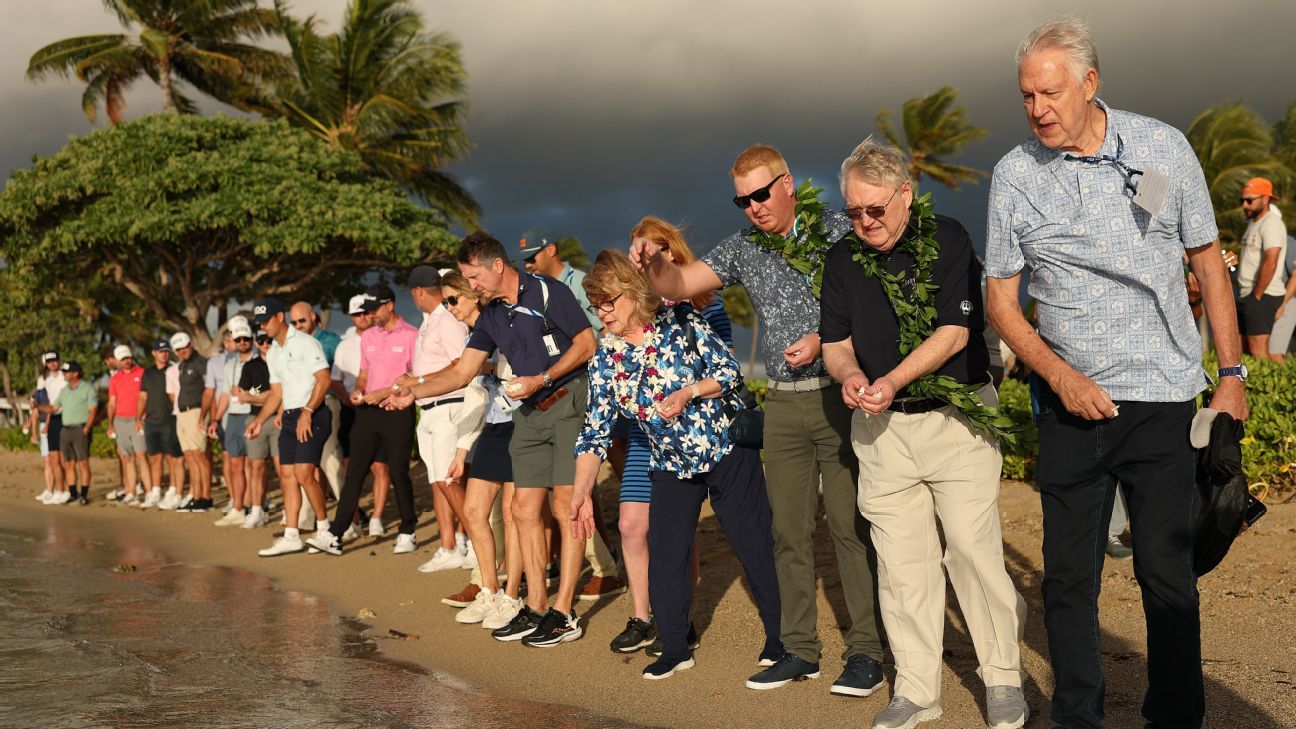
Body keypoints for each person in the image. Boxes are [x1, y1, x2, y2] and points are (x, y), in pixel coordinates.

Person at [984, 16, 1248, 729]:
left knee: (1167, 576)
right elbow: (1002, 303)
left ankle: (1175, 716)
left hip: (1162, 399)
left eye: (1050, 93)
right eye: (1026, 95)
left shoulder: (1161, 150)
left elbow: (1205, 261)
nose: (1037, 108)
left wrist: (1232, 372)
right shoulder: (1015, 175)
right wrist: (1057, 375)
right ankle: (1078, 717)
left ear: (1090, 84)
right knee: (1068, 580)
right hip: (1070, 408)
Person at [630, 144, 886, 695]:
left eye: (761, 193)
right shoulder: (744, 249)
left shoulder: (840, 231)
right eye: (742, 199)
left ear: (788, 184)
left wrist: (826, 339)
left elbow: (875, 297)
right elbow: (679, 285)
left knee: (847, 526)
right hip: (783, 404)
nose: (753, 207)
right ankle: (799, 649)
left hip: (839, 395)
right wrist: (654, 265)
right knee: (788, 532)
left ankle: (866, 650)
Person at [820, 139, 1028, 729]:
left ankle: (1004, 681)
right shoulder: (840, 261)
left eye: (875, 210)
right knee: (901, 564)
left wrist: (889, 379)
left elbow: (954, 333)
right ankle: (915, 690)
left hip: (954, 421)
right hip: (880, 432)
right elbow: (835, 342)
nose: (864, 222)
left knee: (971, 549)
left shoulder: (950, 238)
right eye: (853, 212)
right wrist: (853, 376)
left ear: (905, 194)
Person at [571, 249, 781, 681]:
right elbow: (594, 433)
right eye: (596, 304)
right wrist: (579, 493)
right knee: (666, 554)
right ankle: (673, 647)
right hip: (668, 462)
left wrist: (688, 392)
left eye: (609, 301)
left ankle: (781, 637)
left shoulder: (681, 324)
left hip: (725, 449)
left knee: (753, 544)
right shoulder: (606, 361)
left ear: (632, 293)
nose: (602, 312)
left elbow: (728, 371)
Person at [384, 231, 598, 648]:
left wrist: (543, 377)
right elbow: (462, 373)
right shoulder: (491, 316)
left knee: (563, 504)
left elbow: (587, 344)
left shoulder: (549, 292)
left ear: (497, 265)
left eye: (473, 274)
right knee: (521, 509)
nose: (471, 284)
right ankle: (536, 607)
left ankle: (564, 611)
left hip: (569, 399)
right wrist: (415, 391)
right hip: (529, 414)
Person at [606, 216, 735, 655]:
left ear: (670, 250)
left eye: (651, 249)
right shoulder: (633, 306)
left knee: (674, 532)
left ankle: (676, 618)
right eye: (636, 250)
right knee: (629, 525)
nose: (643, 257)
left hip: (689, 434)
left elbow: (722, 369)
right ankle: (642, 616)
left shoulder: (705, 304)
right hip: (645, 435)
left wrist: (683, 391)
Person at [433, 270, 523, 629]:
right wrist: (461, 449)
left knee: (514, 513)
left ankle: (511, 597)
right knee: (473, 511)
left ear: (473, 294)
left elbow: (516, 369)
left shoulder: (502, 322)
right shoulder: (477, 335)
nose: (449, 307)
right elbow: (474, 391)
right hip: (494, 426)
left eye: (453, 299)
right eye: (444, 302)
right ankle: (489, 589)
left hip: (522, 422)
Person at [306, 284, 421, 557]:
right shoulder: (368, 337)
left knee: (398, 472)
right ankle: (336, 534)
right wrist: (358, 390)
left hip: (397, 410)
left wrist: (385, 393)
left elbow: (415, 377)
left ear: (390, 305)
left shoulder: (412, 336)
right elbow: (363, 374)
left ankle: (408, 529)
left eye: (374, 309)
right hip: (367, 412)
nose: (370, 315)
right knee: (354, 473)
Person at [393, 266, 473, 574]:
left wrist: (419, 379)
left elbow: (460, 364)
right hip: (428, 409)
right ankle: (449, 545)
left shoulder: (448, 320)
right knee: (437, 483)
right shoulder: (428, 322)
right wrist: (412, 383)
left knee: (449, 481)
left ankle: (474, 545)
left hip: (449, 405)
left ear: (417, 291)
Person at [248, 298, 334, 556]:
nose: (264, 326)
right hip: (288, 416)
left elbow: (324, 379)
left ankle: (325, 531)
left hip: (313, 413)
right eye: (260, 323)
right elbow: (276, 393)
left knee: (304, 474)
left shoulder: (307, 342)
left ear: (280, 317)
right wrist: (258, 421)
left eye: (266, 320)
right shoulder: (273, 351)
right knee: (287, 477)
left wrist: (307, 411)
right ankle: (292, 534)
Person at [331, 293, 392, 537]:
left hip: (380, 407)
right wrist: (347, 397)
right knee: (350, 468)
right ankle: (354, 519)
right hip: (351, 410)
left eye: (366, 312)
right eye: (357, 314)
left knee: (380, 467)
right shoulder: (345, 344)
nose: (362, 317)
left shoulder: (385, 337)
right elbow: (335, 380)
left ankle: (376, 518)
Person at [292, 301, 344, 506]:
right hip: (292, 408)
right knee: (303, 467)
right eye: (294, 322)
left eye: (302, 320)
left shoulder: (330, 341)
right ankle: (307, 520)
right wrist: (252, 393)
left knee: (330, 460)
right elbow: (264, 384)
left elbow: (337, 376)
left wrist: (347, 398)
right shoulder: (287, 347)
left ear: (313, 316)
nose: (298, 326)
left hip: (327, 402)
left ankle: (350, 516)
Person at [211, 319, 258, 526]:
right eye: (238, 339)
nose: (242, 342)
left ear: (251, 339)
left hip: (253, 414)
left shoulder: (260, 361)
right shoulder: (230, 364)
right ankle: (238, 508)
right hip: (233, 417)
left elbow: (268, 388)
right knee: (235, 463)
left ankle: (255, 506)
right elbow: (224, 395)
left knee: (254, 464)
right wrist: (215, 419)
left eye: (245, 338)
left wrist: (248, 393)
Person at [1234, 177, 1287, 360]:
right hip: (1248, 294)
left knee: (1259, 351)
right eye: (1242, 200)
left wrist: (1256, 296)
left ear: (1265, 199)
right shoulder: (1253, 223)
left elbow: (1271, 261)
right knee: (1244, 351)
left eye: (1250, 200)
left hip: (1263, 294)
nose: (1245, 205)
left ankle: (1272, 389)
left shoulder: (1271, 223)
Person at [235, 332, 279, 529]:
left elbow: (283, 391)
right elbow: (243, 396)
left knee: (283, 468)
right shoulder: (251, 366)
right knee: (256, 467)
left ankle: (289, 511)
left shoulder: (282, 359)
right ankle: (256, 511)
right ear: (256, 342)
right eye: (261, 341)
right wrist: (267, 394)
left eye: (269, 340)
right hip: (255, 419)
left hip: (279, 418)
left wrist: (258, 394)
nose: (265, 344)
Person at [39, 361, 98, 505]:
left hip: (80, 429)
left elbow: (93, 410)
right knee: (69, 464)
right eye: (64, 372)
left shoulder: (87, 388)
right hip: (66, 430)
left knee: (83, 463)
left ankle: (84, 495)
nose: (64, 374)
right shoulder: (64, 391)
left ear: (75, 373)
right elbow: (53, 408)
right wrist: (38, 406)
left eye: (66, 372)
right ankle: (73, 494)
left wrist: (87, 428)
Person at [137, 340, 183, 509]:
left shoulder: (174, 369)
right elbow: (143, 396)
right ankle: (155, 491)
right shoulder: (147, 373)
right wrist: (138, 418)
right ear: (153, 353)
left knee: (172, 457)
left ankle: (172, 489)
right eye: (160, 351)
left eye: (166, 351)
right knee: (155, 458)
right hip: (151, 421)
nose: (164, 354)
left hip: (169, 419)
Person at [170, 331, 213, 512]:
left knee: (200, 455)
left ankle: (206, 497)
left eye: (184, 347)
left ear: (191, 345)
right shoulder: (181, 366)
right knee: (190, 456)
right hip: (183, 413)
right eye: (178, 350)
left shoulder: (201, 363)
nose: (182, 352)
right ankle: (196, 496)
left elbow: (209, 390)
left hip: (197, 412)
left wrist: (204, 416)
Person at [106, 345, 149, 505]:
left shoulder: (142, 373)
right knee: (127, 457)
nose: (126, 361)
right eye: (123, 359)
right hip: (120, 420)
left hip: (138, 419)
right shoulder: (115, 379)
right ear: (118, 360)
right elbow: (112, 403)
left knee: (142, 456)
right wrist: (110, 424)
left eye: (128, 358)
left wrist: (141, 417)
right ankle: (131, 492)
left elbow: (145, 397)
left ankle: (149, 491)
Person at [33, 351, 68, 504]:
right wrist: (46, 424)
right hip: (53, 418)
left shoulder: (65, 376)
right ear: (46, 364)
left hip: (66, 417)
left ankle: (67, 490)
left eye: (55, 360)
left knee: (63, 458)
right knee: (53, 458)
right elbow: (49, 404)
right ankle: (59, 491)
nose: (53, 363)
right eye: (49, 361)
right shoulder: (46, 380)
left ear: (59, 361)